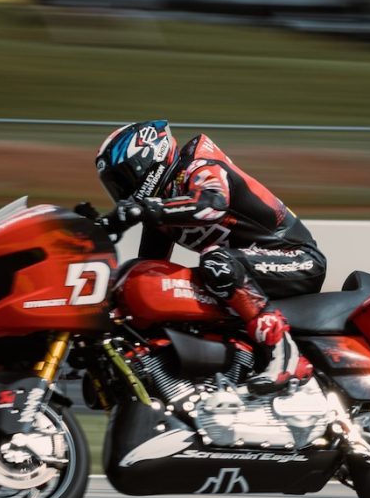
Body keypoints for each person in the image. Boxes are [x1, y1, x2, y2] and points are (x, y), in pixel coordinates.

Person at [95, 120, 325, 395]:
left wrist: (146, 209)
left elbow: (212, 205)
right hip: (249, 268)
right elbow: (149, 267)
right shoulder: (162, 205)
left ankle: (286, 354)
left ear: (149, 158)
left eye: (123, 179)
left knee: (216, 262)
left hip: (297, 258)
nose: (122, 192)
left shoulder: (199, 165)